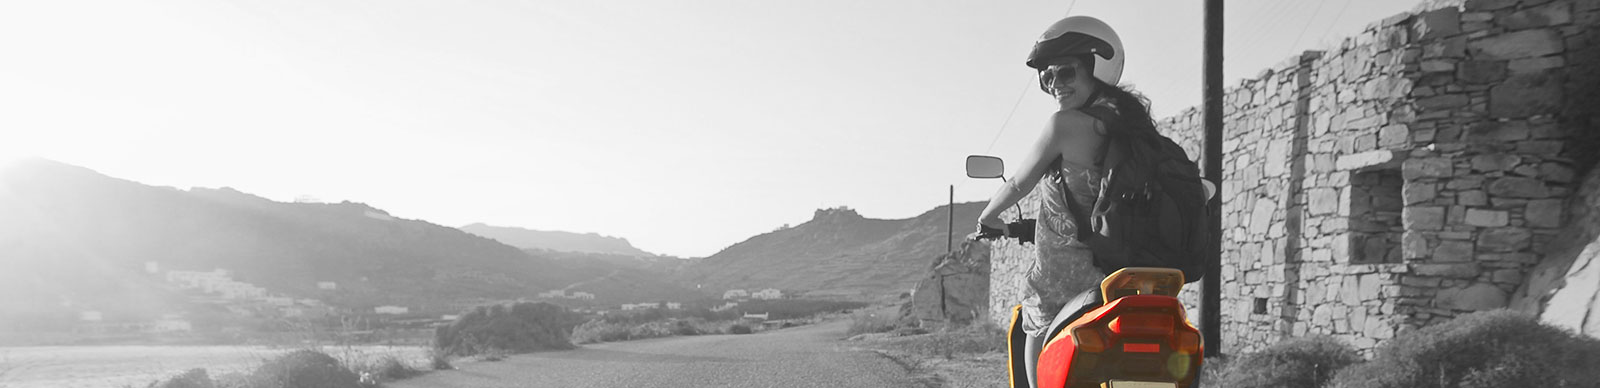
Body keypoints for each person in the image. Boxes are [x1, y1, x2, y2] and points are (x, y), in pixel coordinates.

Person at [974, 15, 1163, 388]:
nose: (1055, 85)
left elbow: (1016, 182)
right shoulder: (1138, 130)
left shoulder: (1063, 126)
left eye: (1066, 73)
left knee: (1036, 342)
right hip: (1127, 279)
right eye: (1048, 77)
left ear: (1097, 66)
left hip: (1065, 282)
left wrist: (987, 216)